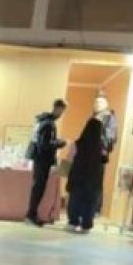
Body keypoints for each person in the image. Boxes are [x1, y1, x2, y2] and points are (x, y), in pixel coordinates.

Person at [25, 98, 67, 226]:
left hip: (39, 158)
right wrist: (60, 143)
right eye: (61, 111)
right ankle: (31, 214)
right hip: (43, 159)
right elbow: (45, 144)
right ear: (58, 109)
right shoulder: (49, 124)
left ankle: (31, 213)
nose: (61, 114)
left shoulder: (41, 121)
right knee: (39, 187)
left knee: (37, 186)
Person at [66, 116, 106, 233]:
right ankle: (86, 225)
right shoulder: (101, 147)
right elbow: (104, 161)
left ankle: (73, 222)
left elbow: (69, 159)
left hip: (78, 177)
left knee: (75, 199)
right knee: (90, 202)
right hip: (93, 180)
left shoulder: (77, 144)